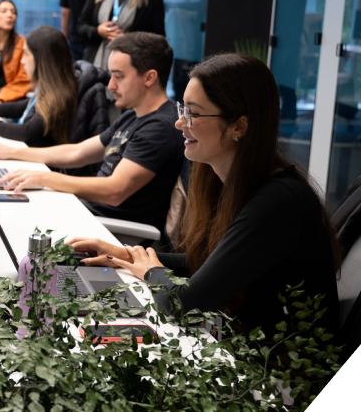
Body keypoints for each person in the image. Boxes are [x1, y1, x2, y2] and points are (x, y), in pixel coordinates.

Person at [69, 53, 342, 339]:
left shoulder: (278, 202)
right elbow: (209, 265)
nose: (180, 123)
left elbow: (182, 304)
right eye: (182, 109)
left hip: (276, 363)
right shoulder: (229, 181)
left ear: (239, 126)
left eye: (194, 113)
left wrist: (151, 271)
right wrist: (125, 255)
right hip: (239, 339)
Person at [0, 32, 184, 230]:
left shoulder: (159, 128)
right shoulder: (134, 115)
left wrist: (44, 178)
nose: (111, 85)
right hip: (87, 212)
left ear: (149, 78)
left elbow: (114, 191)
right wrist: (12, 152)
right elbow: (77, 152)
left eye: (119, 76)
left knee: (8, 218)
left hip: (107, 228)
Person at [0, 26, 78, 148]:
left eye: (26, 54)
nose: (22, 61)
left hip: (41, 158)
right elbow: (19, 107)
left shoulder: (58, 95)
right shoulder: (50, 89)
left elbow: (26, 132)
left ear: (42, 59)